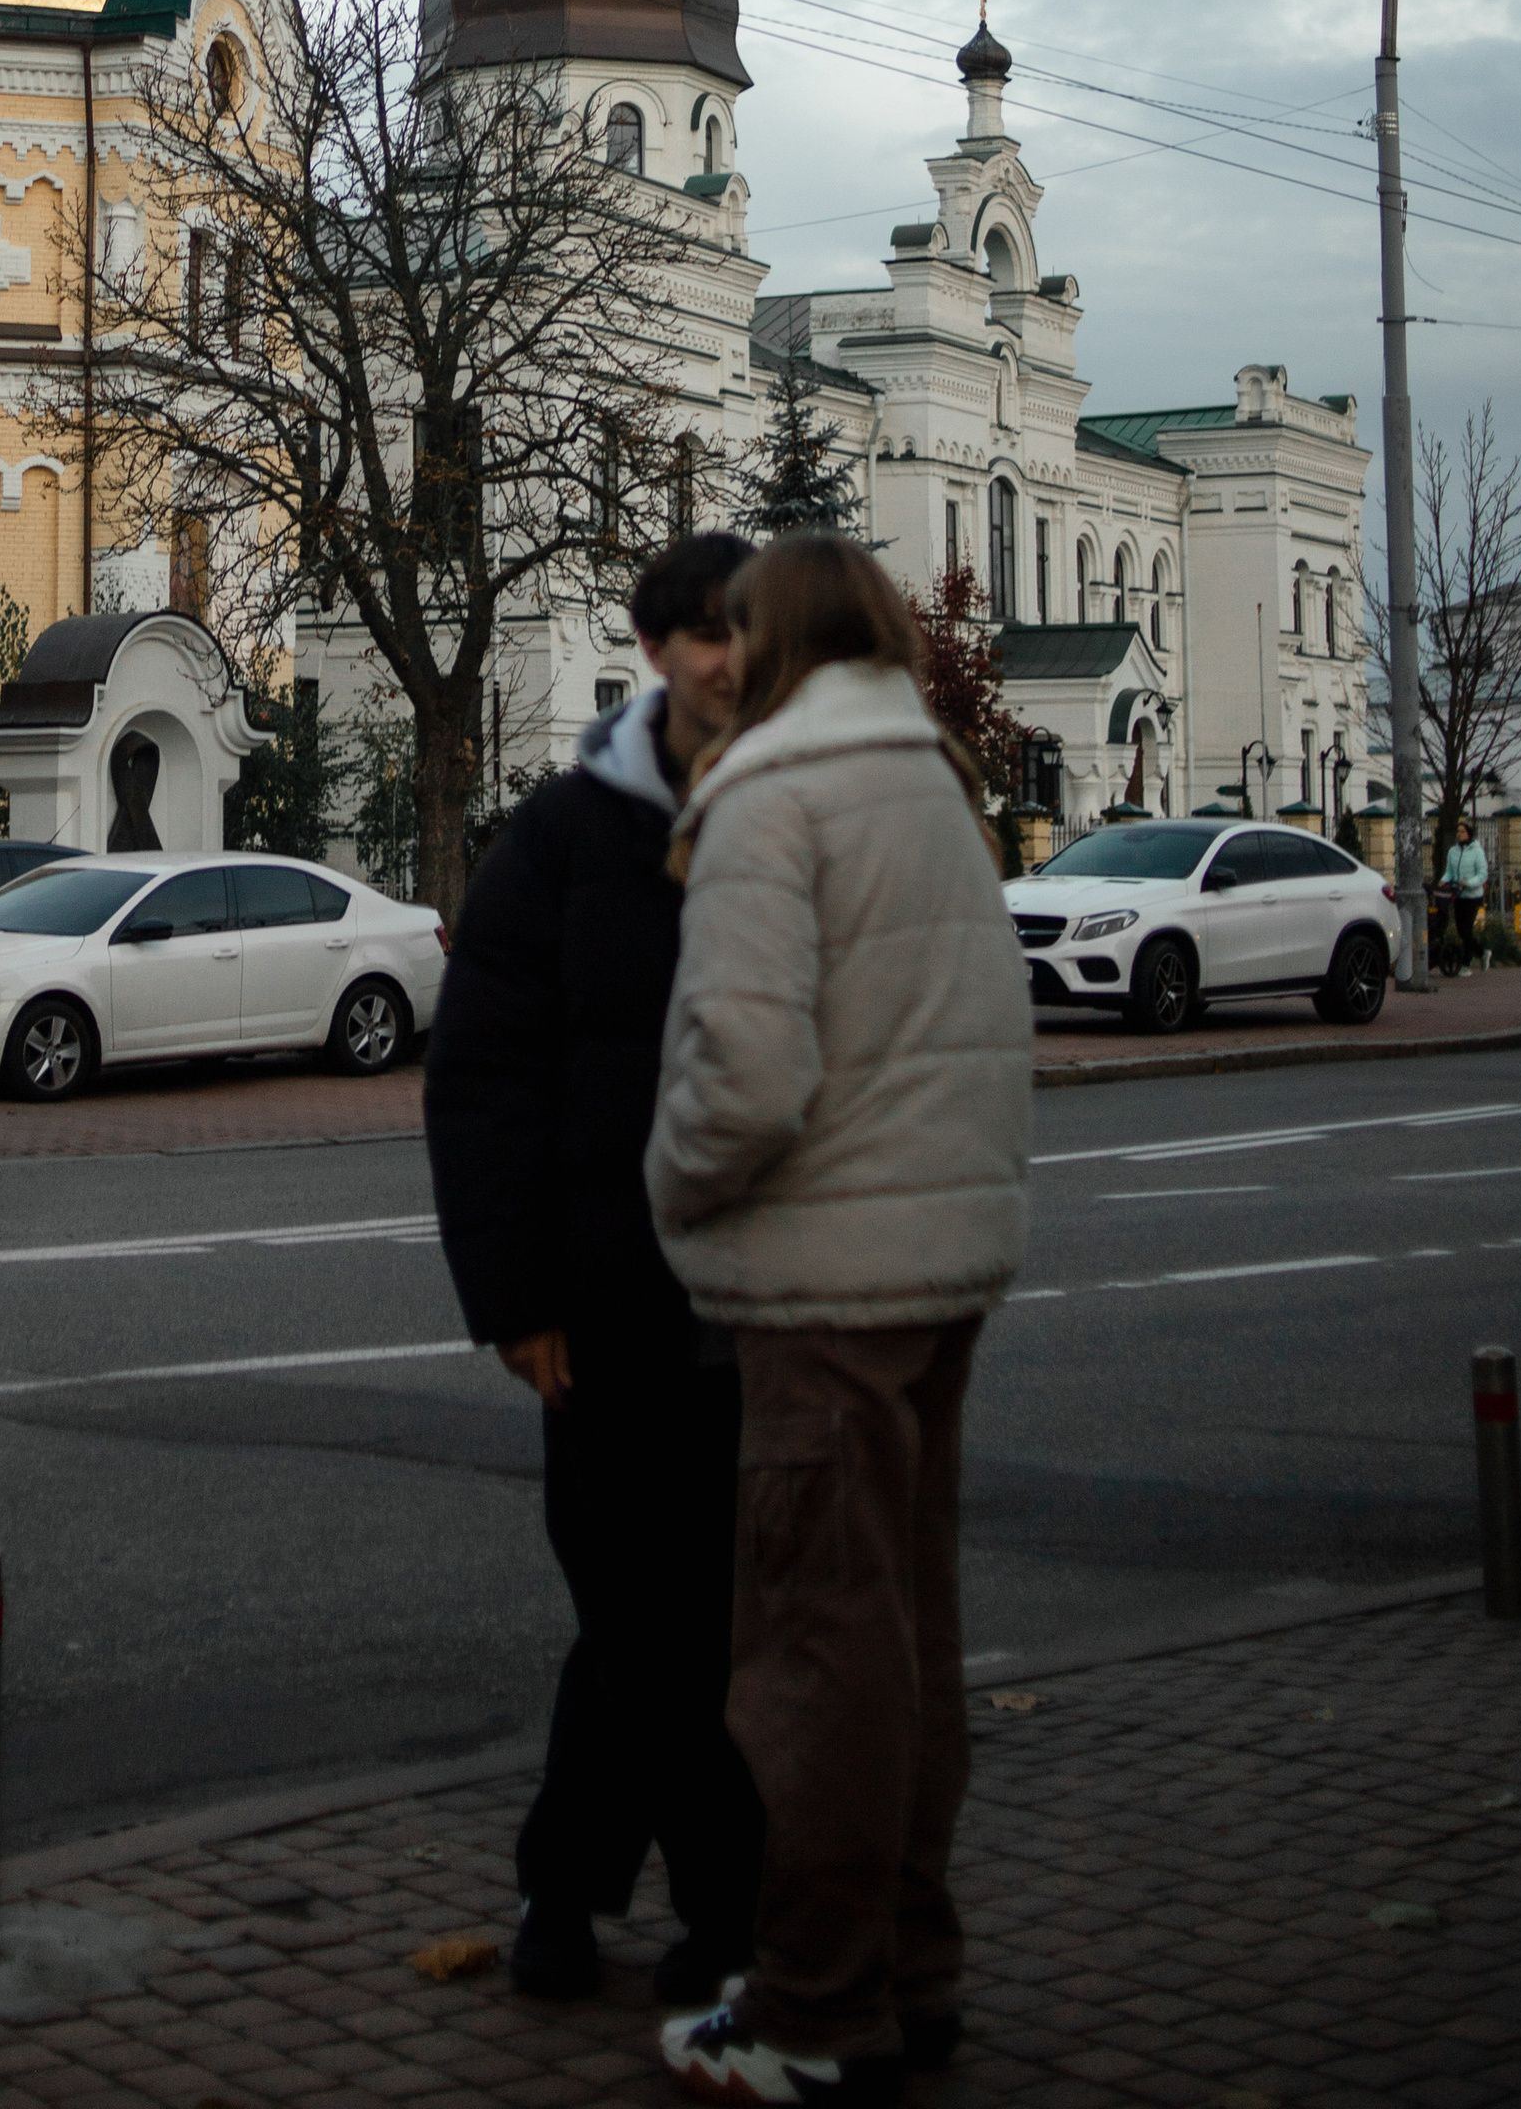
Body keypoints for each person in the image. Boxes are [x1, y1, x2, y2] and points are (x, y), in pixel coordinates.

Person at [644, 533, 1032, 2105]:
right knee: (908, 1647)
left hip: (822, 1283)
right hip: (940, 1267)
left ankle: (811, 2009)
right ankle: (908, 1971)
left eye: (735, 630)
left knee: (813, 1661)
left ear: (776, 636)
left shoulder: (771, 794)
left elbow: (743, 1073)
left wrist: (668, 1185)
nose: (717, 656)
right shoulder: (932, 781)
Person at [424, 532, 766, 2007]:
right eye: (694, 634)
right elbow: (487, 1081)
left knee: (710, 1623)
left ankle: (591, 1900)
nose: (721, 659)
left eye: (743, 632)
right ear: (654, 652)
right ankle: (688, 1911)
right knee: (640, 1614)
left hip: (772, 1303)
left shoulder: (804, 817)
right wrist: (517, 1302)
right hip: (611, 1305)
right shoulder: (567, 835)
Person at [1440, 824, 1488, 968]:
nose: (1459, 834)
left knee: (1466, 929)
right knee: (1461, 930)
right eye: (1458, 831)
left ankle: (1466, 964)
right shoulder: (1453, 851)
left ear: (1469, 834)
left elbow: (1482, 874)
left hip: (1473, 896)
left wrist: (1469, 883)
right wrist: (1443, 881)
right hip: (1458, 895)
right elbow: (1449, 871)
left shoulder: (1477, 852)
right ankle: (1482, 953)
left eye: (1462, 832)